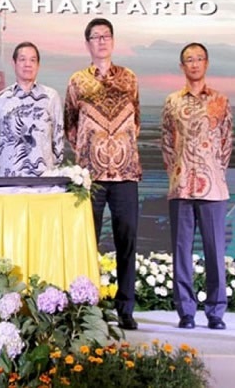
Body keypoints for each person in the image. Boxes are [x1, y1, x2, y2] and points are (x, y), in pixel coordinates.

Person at [64, 18, 141, 330]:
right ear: (87, 44)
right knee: (87, 243)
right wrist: (91, 148)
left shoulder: (130, 78)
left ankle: (125, 309)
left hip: (125, 175)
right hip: (90, 178)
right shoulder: (77, 81)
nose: (101, 41)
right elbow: (71, 124)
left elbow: (136, 121)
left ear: (113, 41)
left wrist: (118, 145)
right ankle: (88, 307)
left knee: (127, 243)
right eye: (95, 37)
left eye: (106, 36)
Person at [161, 43, 233, 330]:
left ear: (207, 63)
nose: (194, 64)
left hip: (213, 188)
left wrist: (213, 170)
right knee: (182, 250)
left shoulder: (220, 100)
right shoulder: (172, 101)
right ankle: (186, 312)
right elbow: (166, 142)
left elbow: (227, 142)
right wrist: (178, 171)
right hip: (181, 187)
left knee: (215, 251)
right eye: (188, 60)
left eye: (199, 59)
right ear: (182, 66)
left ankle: (216, 312)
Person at [0, 41, 64, 176]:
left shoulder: (50, 97)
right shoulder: (0, 99)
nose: (28, 64)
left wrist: (50, 169)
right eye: (22, 59)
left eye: (33, 60)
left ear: (38, 65)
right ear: (14, 64)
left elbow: (58, 137)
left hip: (43, 179)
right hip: (9, 179)